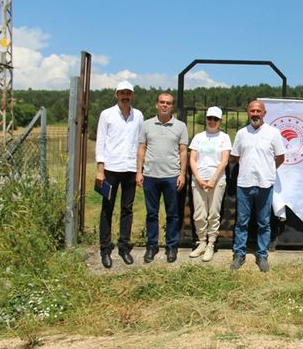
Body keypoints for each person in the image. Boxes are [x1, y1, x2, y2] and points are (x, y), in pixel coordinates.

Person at [230, 100, 285, 272]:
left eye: (258, 111)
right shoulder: (241, 133)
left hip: (264, 184)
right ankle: (239, 254)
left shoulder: (274, 133)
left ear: (264, 113)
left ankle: (262, 255)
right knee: (242, 222)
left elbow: (280, 157)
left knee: (264, 222)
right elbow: (236, 157)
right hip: (244, 184)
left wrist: (268, 170)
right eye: (252, 111)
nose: (255, 114)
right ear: (248, 112)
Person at [95, 80, 144, 269]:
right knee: (107, 209)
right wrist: (100, 170)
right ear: (116, 95)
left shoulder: (138, 115)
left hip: (130, 168)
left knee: (127, 209)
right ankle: (105, 249)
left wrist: (140, 170)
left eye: (128, 93)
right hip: (110, 169)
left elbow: (140, 143)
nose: (125, 96)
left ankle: (124, 247)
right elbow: (101, 141)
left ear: (132, 95)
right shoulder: (106, 115)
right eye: (122, 93)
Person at [136, 93, 189, 263]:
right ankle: (152, 246)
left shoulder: (180, 126)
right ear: (156, 105)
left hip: (171, 176)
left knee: (172, 214)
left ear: (172, 106)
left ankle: (171, 246)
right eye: (162, 102)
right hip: (150, 175)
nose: (165, 105)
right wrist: (139, 172)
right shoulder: (146, 125)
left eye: (168, 103)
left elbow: (183, 151)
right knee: (152, 213)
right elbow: (142, 148)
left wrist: (182, 174)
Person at [188, 106, 231, 261]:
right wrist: (198, 178)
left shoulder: (224, 137)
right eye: (210, 118)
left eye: (215, 119)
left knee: (213, 214)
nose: (212, 122)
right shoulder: (198, 137)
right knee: (199, 214)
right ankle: (201, 242)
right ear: (206, 119)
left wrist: (213, 179)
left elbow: (224, 160)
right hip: (198, 180)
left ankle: (211, 244)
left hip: (217, 180)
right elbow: (192, 158)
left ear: (220, 121)